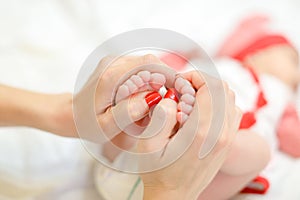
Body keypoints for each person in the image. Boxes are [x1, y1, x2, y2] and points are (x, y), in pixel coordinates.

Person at [0, 54, 242, 199]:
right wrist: (168, 191)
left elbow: (265, 153)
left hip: (114, 176)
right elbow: (258, 156)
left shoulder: (111, 184)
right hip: (231, 103)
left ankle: (137, 118)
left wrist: (64, 112)